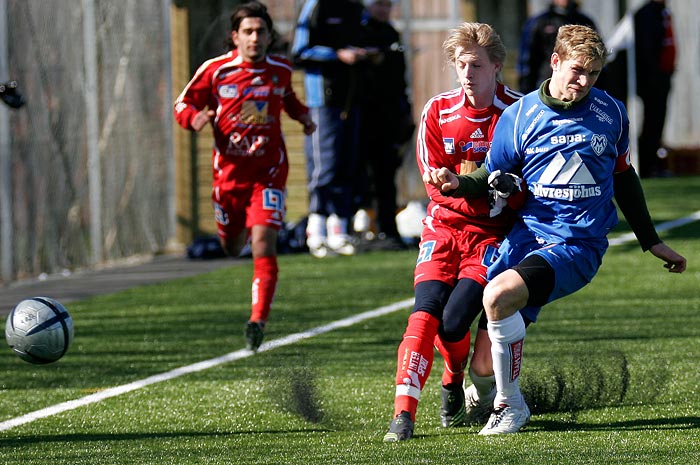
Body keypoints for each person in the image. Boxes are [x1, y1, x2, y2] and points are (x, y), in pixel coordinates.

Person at [423, 24, 687, 436]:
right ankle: (487, 393)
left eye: (594, 74)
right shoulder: (521, 115)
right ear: (555, 62)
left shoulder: (611, 113)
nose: (584, 82)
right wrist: (460, 183)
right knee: (480, 357)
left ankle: (511, 406)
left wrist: (650, 240)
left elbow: (624, 177)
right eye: (578, 71)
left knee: (498, 296)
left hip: (576, 244)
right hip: (525, 237)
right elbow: (493, 173)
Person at [383, 22, 523, 443]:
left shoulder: (518, 113)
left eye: (476, 65)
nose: (467, 73)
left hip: (491, 238)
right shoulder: (438, 111)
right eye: (461, 64)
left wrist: (508, 194)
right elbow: (434, 187)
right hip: (443, 230)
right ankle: (403, 416)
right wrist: (464, 188)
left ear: (496, 66)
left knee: (453, 322)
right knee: (423, 313)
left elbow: (528, 179)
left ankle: (455, 376)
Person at [173, 1, 316, 352]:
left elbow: (289, 100)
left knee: (265, 243)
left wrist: (303, 117)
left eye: (261, 31)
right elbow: (182, 105)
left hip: (268, 174)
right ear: (235, 37)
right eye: (248, 32)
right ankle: (234, 243)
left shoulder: (279, 70)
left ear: (269, 36)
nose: (254, 38)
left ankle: (258, 320)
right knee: (233, 245)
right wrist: (195, 119)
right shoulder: (216, 71)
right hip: (229, 180)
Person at [291, 0, 369, 258]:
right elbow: (300, 52)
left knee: (348, 164)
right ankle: (317, 228)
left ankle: (340, 229)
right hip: (323, 100)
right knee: (326, 164)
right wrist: (337, 54)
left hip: (352, 98)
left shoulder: (356, 8)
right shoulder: (316, 7)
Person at [355, 0, 414, 249]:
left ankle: (387, 229)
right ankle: (359, 228)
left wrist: (405, 114)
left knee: (386, 174)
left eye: (387, 5)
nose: (383, 10)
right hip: (362, 116)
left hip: (387, 118)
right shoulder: (358, 32)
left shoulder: (392, 34)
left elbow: (400, 81)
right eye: (379, 4)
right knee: (359, 175)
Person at [634, 0, 676, 178]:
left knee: (658, 121)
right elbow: (645, 48)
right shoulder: (645, 14)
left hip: (663, 76)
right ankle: (647, 165)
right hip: (652, 80)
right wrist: (653, 77)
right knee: (651, 121)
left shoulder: (663, 11)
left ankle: (654, 163)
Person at [517, 0, 597, 93]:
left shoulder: (585, 22)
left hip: (579, 84)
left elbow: (596, 58)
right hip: (545, 82)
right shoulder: (539, 22)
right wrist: (526, 91)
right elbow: (526, 60)